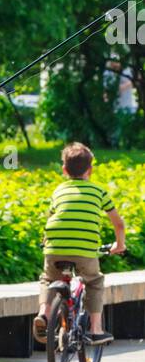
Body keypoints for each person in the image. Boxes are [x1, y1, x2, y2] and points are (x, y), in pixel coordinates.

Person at [33, 141, 126, 344]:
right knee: (94, 282)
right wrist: (119, 246)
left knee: (48, 279)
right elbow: (118, 224)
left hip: (54, 247)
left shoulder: (59, 191)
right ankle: (96, 329)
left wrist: (46, 241)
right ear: (90, 170)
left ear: (64, 170)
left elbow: (51, 217)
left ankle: (43, 313)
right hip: (84, 250)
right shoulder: (99, 192)